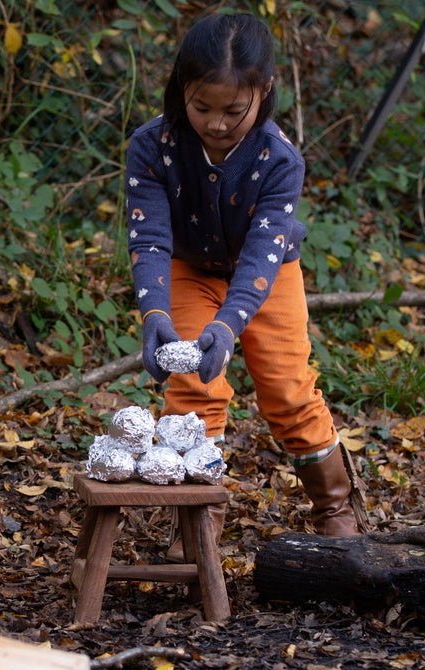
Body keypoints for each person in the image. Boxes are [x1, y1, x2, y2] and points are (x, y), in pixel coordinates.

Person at [125, 12, 368, 550]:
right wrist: (156, 315)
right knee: (192, 387)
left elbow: (263, 254)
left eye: (233, 111)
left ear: (263, 93)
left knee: (287, 391)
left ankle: (336, 508)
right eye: (201, 107)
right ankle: (198, 518)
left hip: (267, 273)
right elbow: (149, 240)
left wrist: (228, 327)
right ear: (180, 90)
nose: (215, 123)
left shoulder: (279, 159)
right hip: (188, 271)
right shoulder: (152, 146)